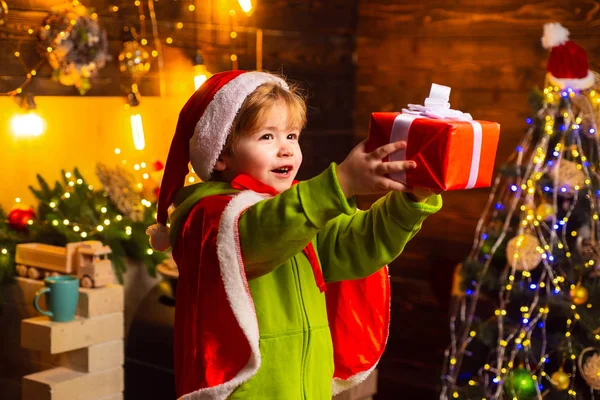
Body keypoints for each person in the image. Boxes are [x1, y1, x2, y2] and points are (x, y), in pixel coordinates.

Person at [146, 70, 442, 400]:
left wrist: (411, 200)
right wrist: (340, 183)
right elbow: (260, 234)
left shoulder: (301, 207)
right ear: (221, 155)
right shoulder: (207, 216)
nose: (286, 150)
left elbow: (355, 246)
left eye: (291, 136)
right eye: (266, 137)